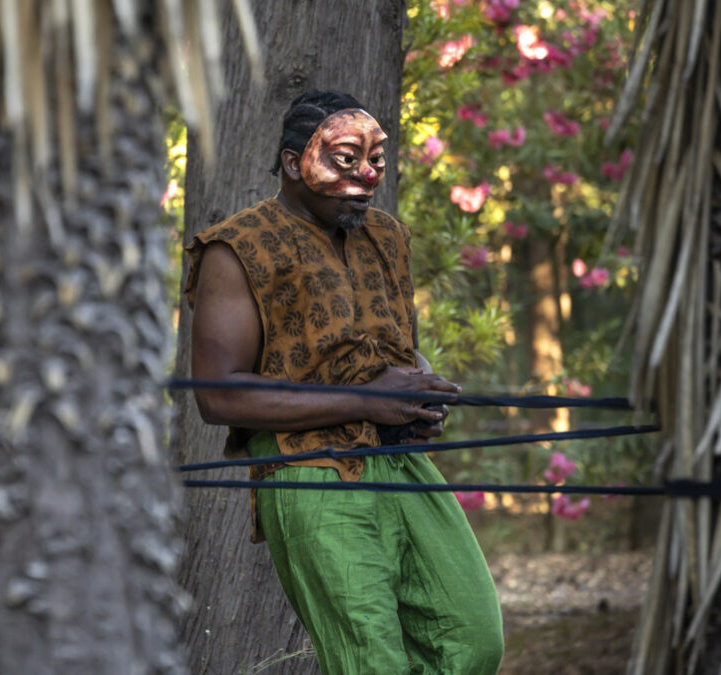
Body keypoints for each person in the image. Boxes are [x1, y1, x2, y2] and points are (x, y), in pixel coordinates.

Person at [184, 90, 504, 674]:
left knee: (473, 640)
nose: (366, 175)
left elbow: (387, 350)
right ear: (291, 163)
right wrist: (369, 400)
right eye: (344, 159)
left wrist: (420, 389)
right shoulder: (236, 248)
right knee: (369, 662)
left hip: (402, 464)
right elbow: (218, 395)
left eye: (376, 160)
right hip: (311, 471)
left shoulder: (388, 237)